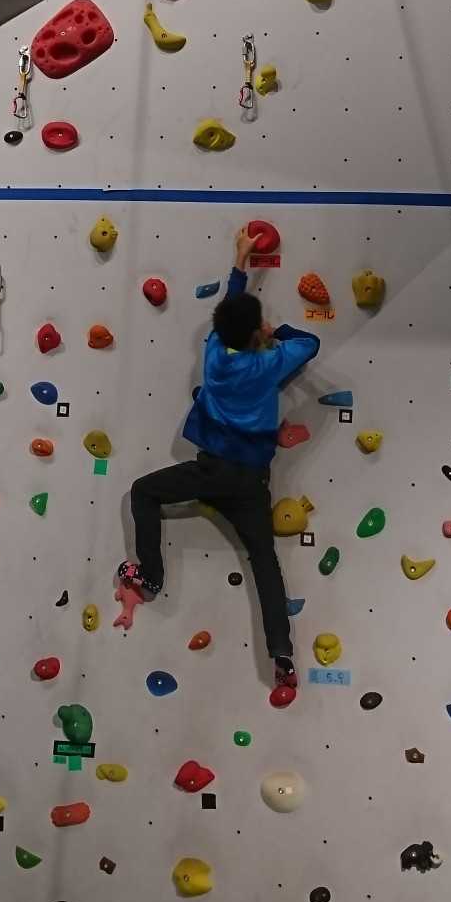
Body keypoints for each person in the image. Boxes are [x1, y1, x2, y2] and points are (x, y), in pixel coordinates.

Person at [118, 225, 320, 688]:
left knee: (143, 492)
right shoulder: (269, 362)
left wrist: (239, 260)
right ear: (254, 334)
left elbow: (227, 312)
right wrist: (275, 332)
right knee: (264, 561)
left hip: (209, 472)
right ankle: (282, 653)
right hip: (250, 482)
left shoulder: (214, 355)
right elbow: (310, 344)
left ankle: (151, 576)